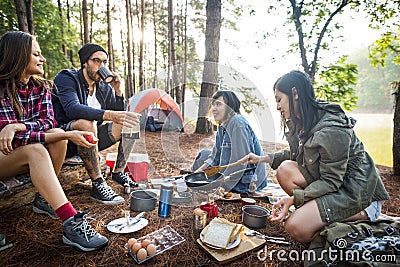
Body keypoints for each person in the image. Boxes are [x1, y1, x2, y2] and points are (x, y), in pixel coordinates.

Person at [239, 70, 390, 243]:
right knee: (285, 169)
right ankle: (318, 215)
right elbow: (296, 155)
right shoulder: (306, 120)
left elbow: (331, 181)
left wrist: (295, 199)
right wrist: (262, 158)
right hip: (336, 187)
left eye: (279, 99)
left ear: (294, 93)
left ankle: (354, 218)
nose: (277, 107)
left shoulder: (331, 129)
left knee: (295, 226)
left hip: (357, 195)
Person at [0, 31, 108, 251]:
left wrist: (18, 126)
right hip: (4, 156)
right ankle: (71, 222)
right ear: (19, 56)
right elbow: (17, 141)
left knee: (57, 137)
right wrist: (66, 134)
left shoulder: (41, 87)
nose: (43, 59)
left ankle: (43, 199)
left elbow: (49, 122)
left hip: (23, 149)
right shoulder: (1, 89)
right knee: (36, 149)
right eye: (37, 54)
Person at [52, 43, 140, 205]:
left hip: (91, 140)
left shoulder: (103, 88)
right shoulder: (67, 78)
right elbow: (72, 109)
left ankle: (119, 172)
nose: (101, 66)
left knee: (130, 122)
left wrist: (118, 91)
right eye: (96, 61)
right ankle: (98, 184)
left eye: (105, 62)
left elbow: (118, 113)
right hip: (65, 138)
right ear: (85, 62)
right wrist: (108, 114)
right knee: (87, 123)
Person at [191, 90, 267, 193]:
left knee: (208, 180)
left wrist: (218, 184)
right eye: (213, 105)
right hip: (228, 170)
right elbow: (214, 157)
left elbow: (242, 161)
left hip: (247, 181)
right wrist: (194, 175)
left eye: (218, 104)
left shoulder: (237, 122)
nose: (213, 109)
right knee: (203, 154)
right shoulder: (221, 127)